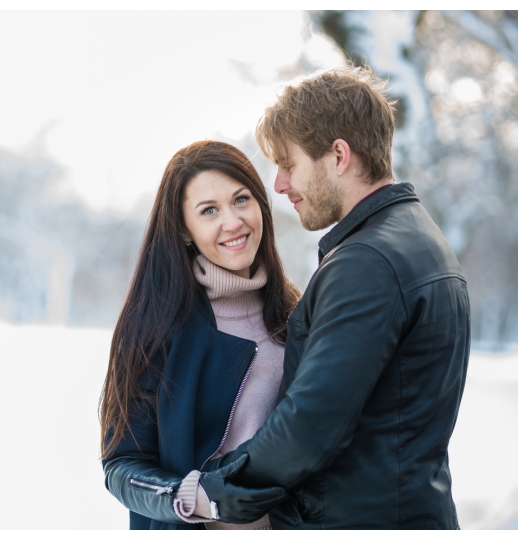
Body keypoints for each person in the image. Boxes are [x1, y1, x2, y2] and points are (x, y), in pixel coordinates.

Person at [203, 64, 471, 529]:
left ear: (339, 156)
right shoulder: (417, 238)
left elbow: (309, 426)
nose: (281, 184)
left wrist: (212, 492)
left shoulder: (368, 261)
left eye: (289, 165)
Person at [100, 140, 300, 530]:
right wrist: (193, 498)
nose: (232, 221)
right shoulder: (155, 327)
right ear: (185, 230)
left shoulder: (298, 314)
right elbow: (122, 465)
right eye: (209, 211)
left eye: (241, 200)